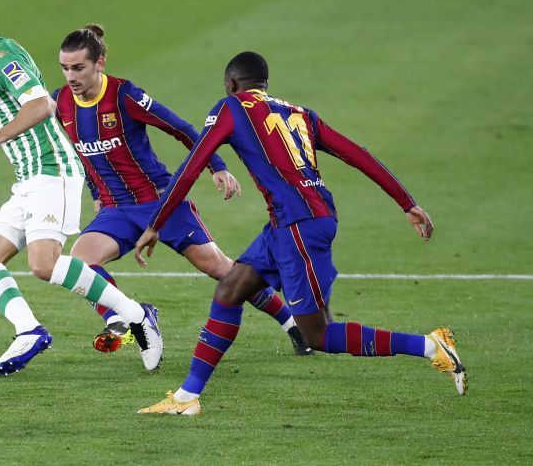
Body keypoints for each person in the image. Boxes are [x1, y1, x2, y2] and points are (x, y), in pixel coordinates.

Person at [134, 51, 467, 415]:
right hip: (290, 223)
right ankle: (186, 398)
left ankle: (430, 346)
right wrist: (406, 201)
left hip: (299, 227)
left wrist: (156, 223)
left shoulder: (232, 107)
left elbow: (192, 165)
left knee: (318, 334)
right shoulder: (300, 113)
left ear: (231, 84)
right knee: (231, 288)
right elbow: (357, 152)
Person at [0, 0, 162, 376]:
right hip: (29, 177)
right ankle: (29, 331)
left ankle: (137, 315)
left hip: (52, 171)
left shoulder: (4, 57)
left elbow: (43, 105)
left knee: (44, 264)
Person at [53, 26, 311, 356]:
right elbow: (80, 153)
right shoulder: (60, 102)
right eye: (64, 67)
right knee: (79, 263)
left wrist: (216, 166)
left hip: (160, 202)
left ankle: (291, 323)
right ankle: (128, 317)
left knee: (222, 270)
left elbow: (182, 129)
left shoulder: (124, 96)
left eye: (78, 67)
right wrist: (94, 192)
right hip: (116, 209)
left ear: (99, 63)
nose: (70, 76)